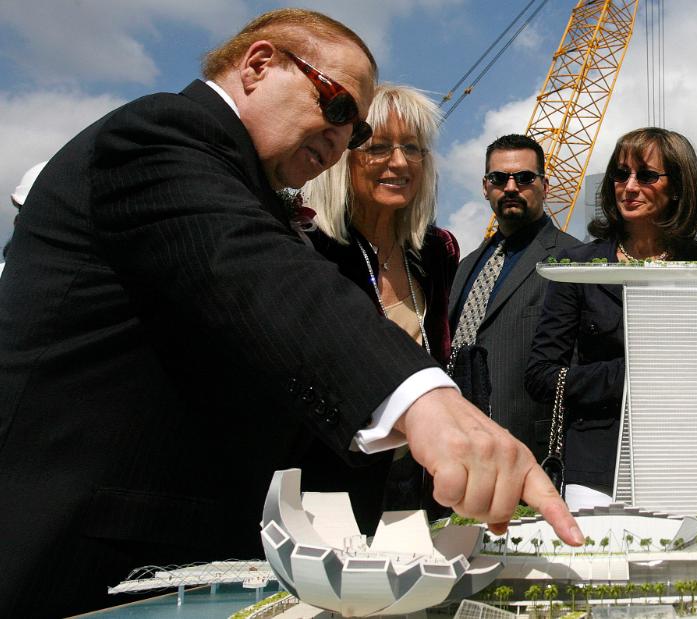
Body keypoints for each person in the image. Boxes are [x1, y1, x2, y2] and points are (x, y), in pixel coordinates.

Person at [0, 9, 577, 616]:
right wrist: (422, 398)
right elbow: (256, 273)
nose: (339, 141)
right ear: (259, 65)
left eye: (352, 131)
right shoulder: (160, 133)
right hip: (77, 553)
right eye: (336, 110)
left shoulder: (266, 192)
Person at [525, 127, 697, 510]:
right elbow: (541, 375)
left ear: (677, 187)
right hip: (594, 462)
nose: (630, 186)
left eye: (647, 175)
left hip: (683, 457)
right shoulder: (577, 268)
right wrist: (638, 375)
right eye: (620, 175)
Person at [301, 84, 459, 528]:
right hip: (328, 478)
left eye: (412, 148)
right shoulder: (311, 246)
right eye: (379, 147)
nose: (399, 162)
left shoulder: (436, 250)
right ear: (343, 157)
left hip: (420, 479)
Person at [449, 134, 580, 460]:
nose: (511, 187)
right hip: (458, 445)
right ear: (485, 187)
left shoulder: (573, 259)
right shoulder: (466, 267)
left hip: (531, 451)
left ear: (545, 186)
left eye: (524, 178)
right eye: (499, 178)